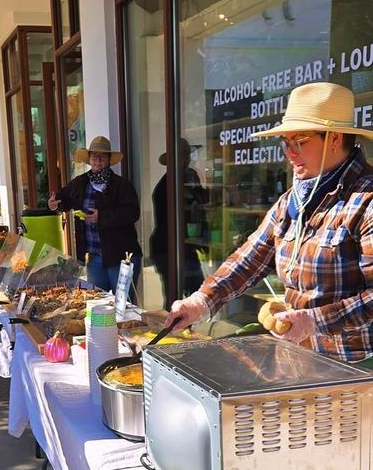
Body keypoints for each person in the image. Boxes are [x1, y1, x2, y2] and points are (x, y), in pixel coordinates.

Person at [166, 82, 373, 365]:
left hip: (355, 367)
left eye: (298, 142)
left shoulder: (366, 200)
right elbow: (251, 258)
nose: (289, 153)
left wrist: (314, 320)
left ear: (334, 138)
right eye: (285, 143)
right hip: (298, 358)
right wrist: (201, 301)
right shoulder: (294, 199)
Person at [48, 136, 142, 295]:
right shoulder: (80, 182)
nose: (98, 160)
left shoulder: (121, 185)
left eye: (102, 156)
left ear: (109, 160)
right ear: (89, 159)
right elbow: (63, 198)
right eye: (94, 156)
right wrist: (54, 204)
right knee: (97, 306)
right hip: (94, 259)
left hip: (121, 257)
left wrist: (102, 217)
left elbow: (132, 213)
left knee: (124, 308)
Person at [150, 139, 208, 309]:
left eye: (186, 156)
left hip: (187, 245)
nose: (185, 160)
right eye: (181, 156)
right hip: (168, 247)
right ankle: (176, 330)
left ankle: (187, 328)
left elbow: (201, 199)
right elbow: (173, 220)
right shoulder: (165, 186)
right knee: (174, 296)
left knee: (196, 291)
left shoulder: (190, 176)